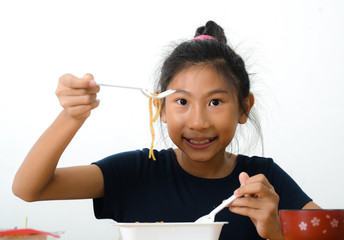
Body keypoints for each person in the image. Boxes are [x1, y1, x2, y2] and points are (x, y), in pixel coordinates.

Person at [12, 21, 320, 240]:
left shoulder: (262, 180)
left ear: (244, 108)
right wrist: (71, 116)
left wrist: (278, 233)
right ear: (160, 108)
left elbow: (331, 229)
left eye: (215, 101)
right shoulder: (138, 172)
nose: (198, 122)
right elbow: (30, 188)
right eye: (182, 101)